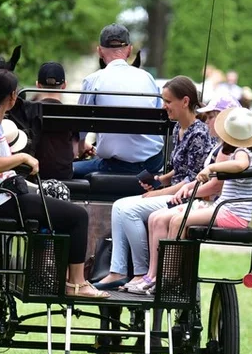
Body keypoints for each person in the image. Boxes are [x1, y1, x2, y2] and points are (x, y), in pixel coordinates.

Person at [0, 69, 107, 299]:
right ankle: (77, 284)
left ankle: (54, 271)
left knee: (57, 200)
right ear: (12, 97)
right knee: (78, 216)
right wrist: (22, 158)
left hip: (0, 195)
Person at [96, 78, 218, 291]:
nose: (164, 106)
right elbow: (178, 170)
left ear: (185, 101)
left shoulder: (198, 133)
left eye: (168, 101)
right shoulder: (178, 129)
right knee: (118, 206)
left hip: (187, 198)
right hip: (173, 193)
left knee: (129, 210)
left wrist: (157, 193)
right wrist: (160, 180)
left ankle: (142, 273)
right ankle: (118, 270)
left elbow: (193, 178)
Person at [133, 107, 252, 295]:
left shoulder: (242, 153)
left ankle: (168, 278)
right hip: (225, 209)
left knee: (178, 220)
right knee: (174, 216)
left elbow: (240, 165)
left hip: (232, 214)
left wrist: (211, 168)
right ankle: (161, 275)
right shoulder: (238, 151)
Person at [73, 24, 163, 177]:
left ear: (100, 51)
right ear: (129, 50)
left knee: (67, 169)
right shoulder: (148, 78)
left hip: (114, 166)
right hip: (153, 164)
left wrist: (81, 146)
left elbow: (81, 123)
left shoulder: (93, 80)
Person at [31, 62, 75, 181]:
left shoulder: (29, 112)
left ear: (38, 85)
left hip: (35, 174)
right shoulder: (72, 113)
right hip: (63, 175)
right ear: (64, 85)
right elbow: (76, 152)